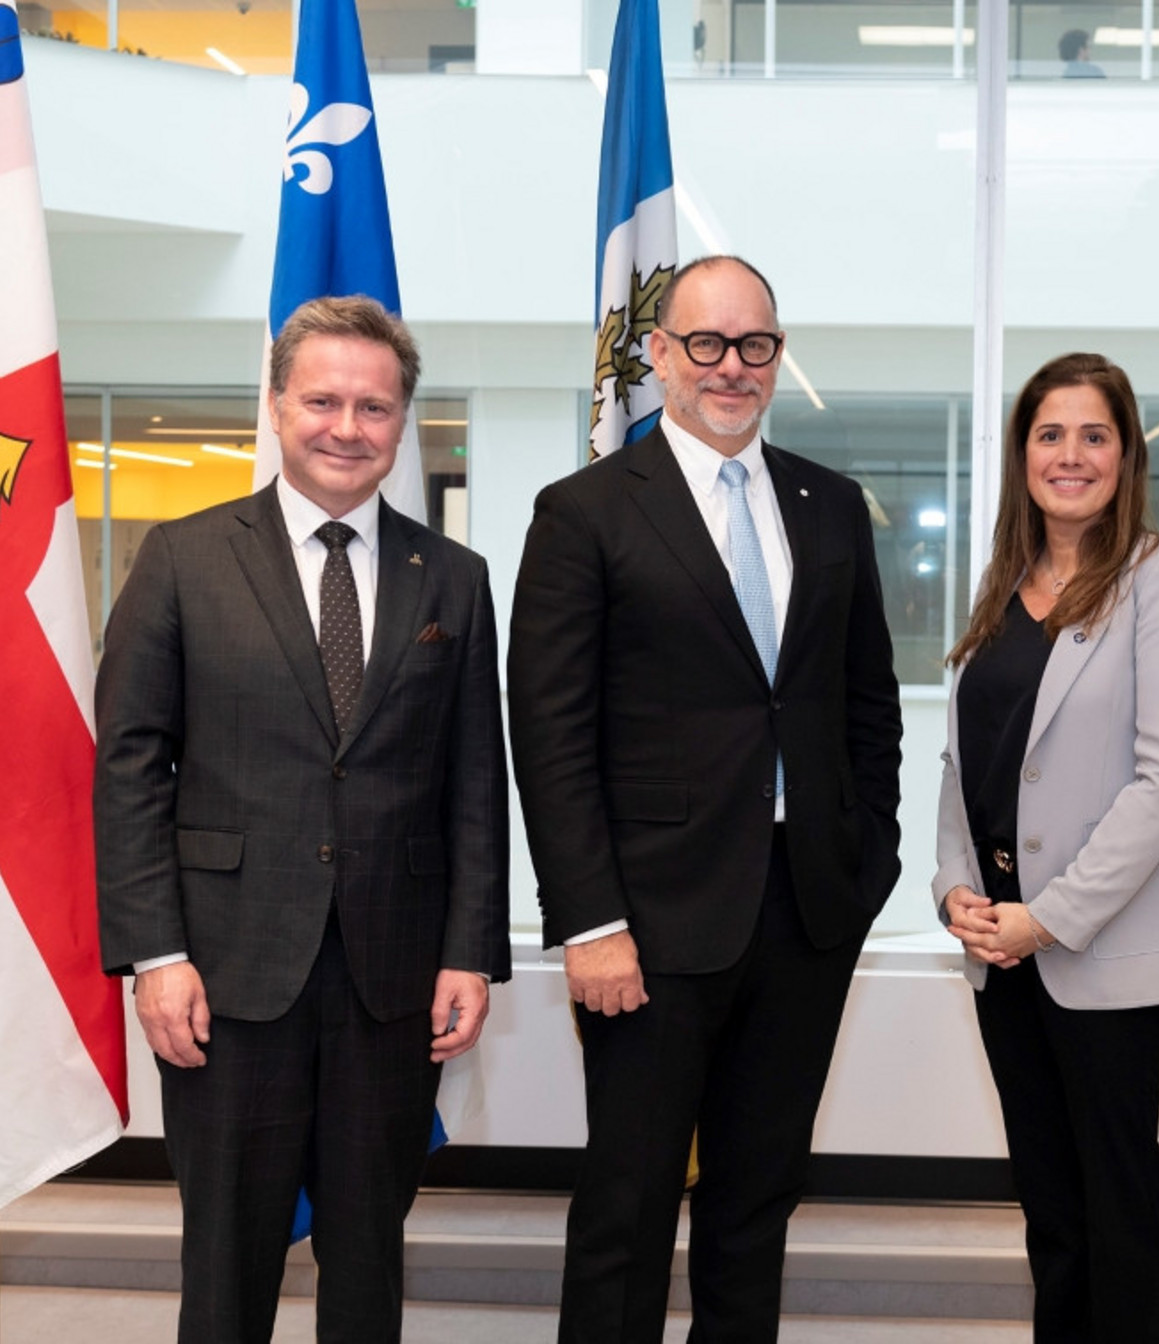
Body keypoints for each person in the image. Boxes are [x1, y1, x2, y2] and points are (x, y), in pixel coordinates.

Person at [95, 295, 511, 1344]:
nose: (346, 426)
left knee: (367, 1261)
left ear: (399, 423)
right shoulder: (183, 559)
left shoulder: (452, 578)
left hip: (393, 979)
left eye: (373, 407)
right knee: (227, 1264)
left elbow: (473, 780)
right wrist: (155, 954)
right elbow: (131, 767)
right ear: (276, 408)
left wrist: (469, 953)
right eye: (321, 399)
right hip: (226, 979)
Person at [509, 254, 904, 1342]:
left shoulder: (828, 506)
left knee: (755, 1203)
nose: (731, 368)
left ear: (778, 354)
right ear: (657, 356)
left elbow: (866, 705)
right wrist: (589, 921)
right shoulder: (584, 511)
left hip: (805, 913)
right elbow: (548, 734)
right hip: (645, 926)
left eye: (755, 344)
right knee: (627, 1208)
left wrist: (866, 861)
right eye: (706, 344)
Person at [933, 352, 1159, 1341]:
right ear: (1022, 454)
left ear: (1126, 452)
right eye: (1048, 434)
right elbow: (962, 765)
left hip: (1099, 952)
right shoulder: (1001, 591)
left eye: (1092, 434)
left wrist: (1047, 917)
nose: (1069, 454)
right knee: (1051, 1212)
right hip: (1003, 953)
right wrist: (954, 894)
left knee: (1116, 1208)